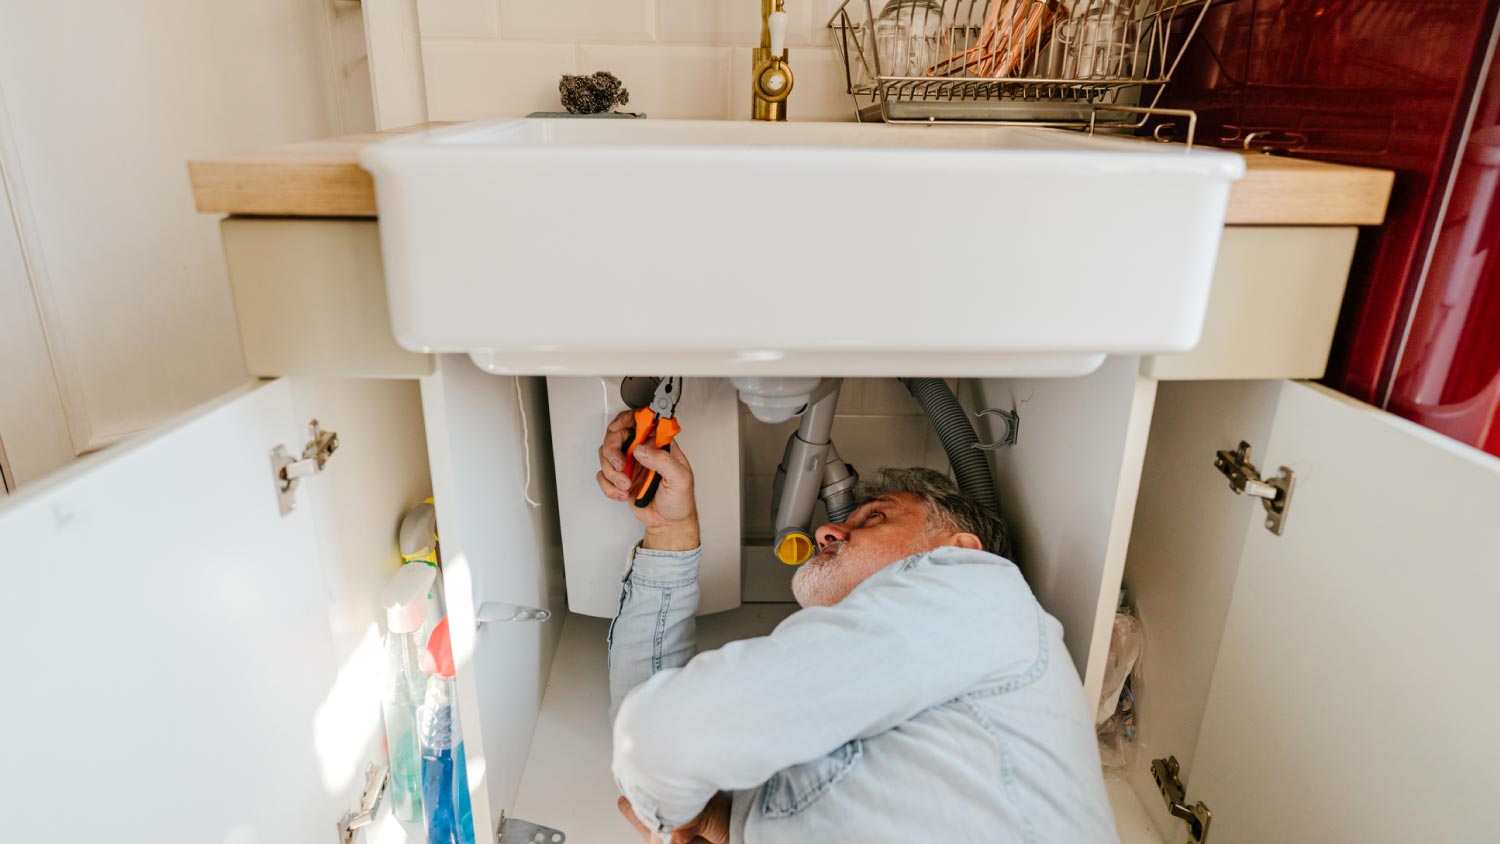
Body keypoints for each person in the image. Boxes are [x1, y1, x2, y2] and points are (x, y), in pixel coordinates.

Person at [595, 410, 1118, 844]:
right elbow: (650, 734)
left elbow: (658, 735)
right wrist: (670, 529)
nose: (826, 528)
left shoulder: (978, 585)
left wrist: (691, 814)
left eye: (875, 517)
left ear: (960, 549)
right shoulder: (841, 708)